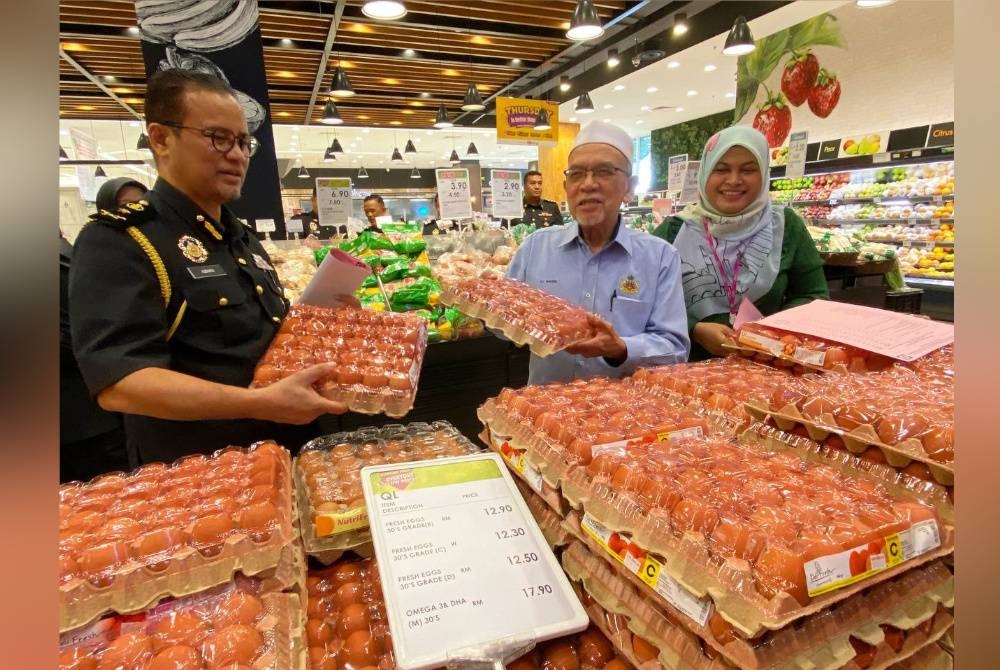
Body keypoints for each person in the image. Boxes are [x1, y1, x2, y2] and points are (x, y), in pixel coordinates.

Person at [69, 68, 348, 465]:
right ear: (161, 139)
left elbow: (260, 340)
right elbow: (121, 382)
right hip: (200, 474)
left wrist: (327, 325)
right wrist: (257, 403)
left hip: (286, 453)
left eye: (242, 142)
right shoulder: (122, 240)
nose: (236, 154)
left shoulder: (241, 237)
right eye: (218, 138)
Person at [507, 120, 690, 385]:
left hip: (620, 417)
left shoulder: (660, 257)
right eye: (577, 174)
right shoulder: (535, 247)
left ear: (629, 187)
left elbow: (674, 348)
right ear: (567, 185)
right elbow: (502, 328)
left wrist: (620, 348)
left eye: (604, 171)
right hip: (543, 415)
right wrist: (489, 300)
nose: (588, 184)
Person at [651, 126, 829, 361]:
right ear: (705, 173)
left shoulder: (785, 227)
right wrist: (694, 328)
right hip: (681, 374)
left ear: (764, 174)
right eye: (721, 169)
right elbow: (644, 301)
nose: (733, 180)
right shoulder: (674, 231)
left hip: (766, 370)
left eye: (748, 170)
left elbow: (814, 296)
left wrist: (772, 331)